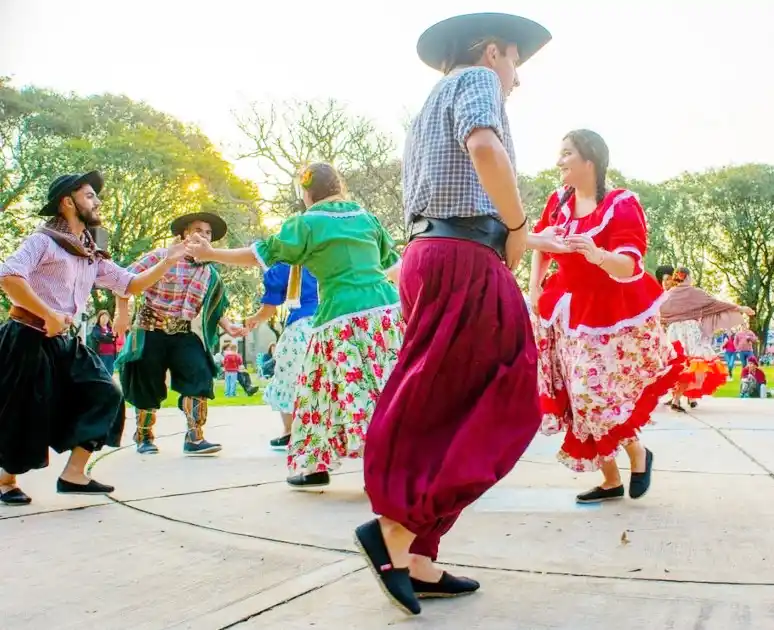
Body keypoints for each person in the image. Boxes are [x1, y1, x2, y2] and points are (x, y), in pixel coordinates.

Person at [353, 13, 564, 616]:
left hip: (430, 253)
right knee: (513, 393)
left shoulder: (426, 107)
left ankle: (418, 555)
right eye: (515, 61)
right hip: (466, 255)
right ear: (492, 51)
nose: (516, 78)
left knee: (438, 399)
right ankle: (393, 533)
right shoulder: (476, 80)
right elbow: (484, 147)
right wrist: (519, 228)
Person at [186, 162, 404, 489]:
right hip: (386, 313)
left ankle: (314, 466)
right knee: (388, 386)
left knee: (318, 391)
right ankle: (399, 461)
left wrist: (211, 252)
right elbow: (396, 268)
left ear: (306, 193)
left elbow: (261, 254)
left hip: (339, 317)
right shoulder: (366, 218)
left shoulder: (306, 225)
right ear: (339, 187)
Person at [0, 171, 187, 505]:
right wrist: (48, 313)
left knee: (106, 392)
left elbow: (129, 285)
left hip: (62, 340)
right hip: (26, 336)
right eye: (89, 195)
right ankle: (5, 480)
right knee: (22, 410)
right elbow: (9, 277)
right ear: (67, 203)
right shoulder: (42, 241)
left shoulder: (90, 252)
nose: (97, 201)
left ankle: (74, 474)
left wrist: (166, 261)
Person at [529, 130, 685, 507]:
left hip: (607, 313)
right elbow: (539, 244)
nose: (559, 161)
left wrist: (598, 255)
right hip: (564, 312)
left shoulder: (621, 204)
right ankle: (611, 480)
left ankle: (637, 454)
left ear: (590, 160)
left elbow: (630, 264)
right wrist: (534, 287)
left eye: (566, 153)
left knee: (595, 394)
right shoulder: (558, 202)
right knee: (577, 399)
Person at [115, 211, 246, 456]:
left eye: (208, 233)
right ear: (184, 233)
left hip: (184, 331)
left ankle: (194, 438)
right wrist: (121, 314)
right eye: (198, 229)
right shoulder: (159, 256)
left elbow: (213, 308)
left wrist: (228, 326)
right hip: (150, 329)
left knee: (199, 373)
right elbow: (123, 281)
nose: (203, 235)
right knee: (147, 382)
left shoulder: (210, 272)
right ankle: (144, 436)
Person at [244, 262, 319, 449]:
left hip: (300, 326)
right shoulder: (328, 256)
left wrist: (253, 319)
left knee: (288, 379)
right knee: (324, 378)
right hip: (329, 323)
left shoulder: (286, 265)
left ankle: (289, 430)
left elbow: (269, 309)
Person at [660, 267, 752, 411]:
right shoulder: (695, 293)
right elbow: (717, 304)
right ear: (688, 277)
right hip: (690, 330)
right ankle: (677, 400)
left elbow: (658, 311)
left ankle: (685, 397)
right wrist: (740, 308)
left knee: (679, 364)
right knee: (693, 365)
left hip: (674, 331)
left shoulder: (668, 294)